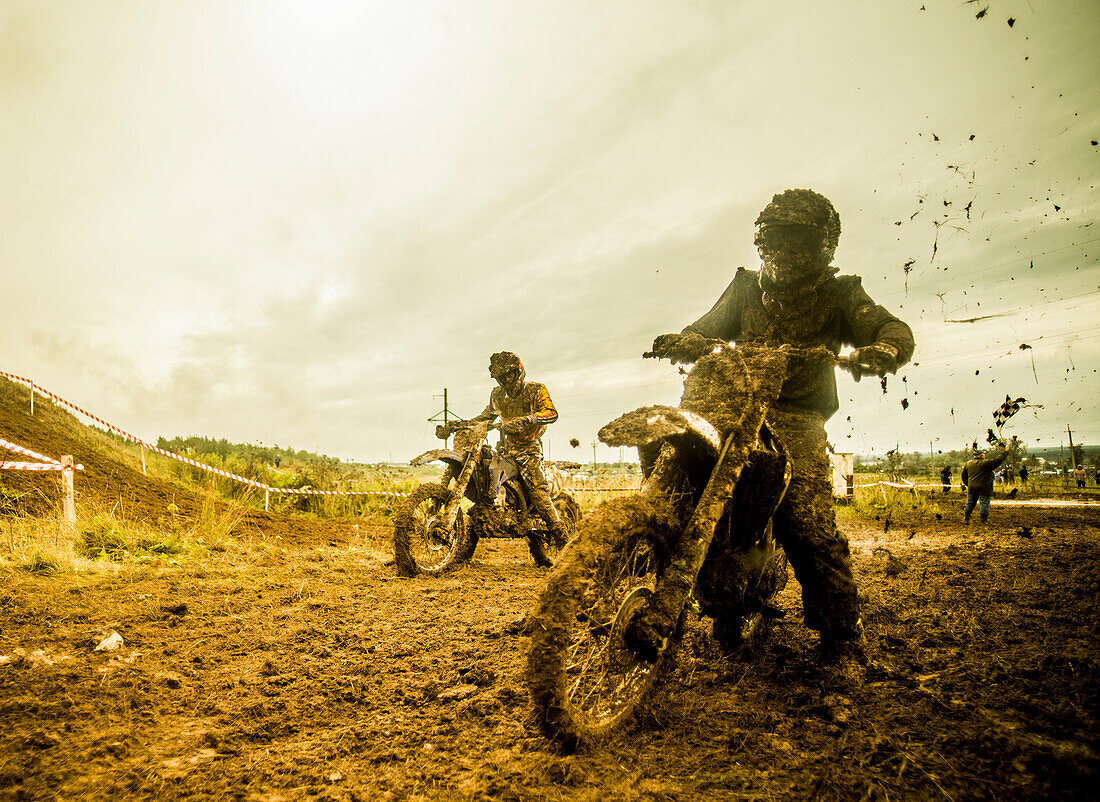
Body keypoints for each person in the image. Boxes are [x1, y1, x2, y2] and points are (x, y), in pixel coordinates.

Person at [650, 188, 915, 687]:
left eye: (799, 244)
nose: (786, 254)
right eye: (775, 242)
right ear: (761, 243)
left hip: (796, 412)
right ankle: (631, 557)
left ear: (824, 247)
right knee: (676, 464)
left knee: (805, 521)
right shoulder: (746, 287)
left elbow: (883, 323)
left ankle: (842, 636)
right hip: (731, 400)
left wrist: (887, 346)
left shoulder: (841, 293)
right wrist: (685, 337)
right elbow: (707, 326)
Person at [464, 351, 564, 543]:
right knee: (488, 476)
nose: (507, 379)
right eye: (502, 377)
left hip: (530, 451)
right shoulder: (497, 395)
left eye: (510, 374)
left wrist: (528, 419)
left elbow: (551, 413)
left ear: (518, 372)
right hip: (506, 450)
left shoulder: (536, 390)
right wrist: (459, 425)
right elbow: (486, 416)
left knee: (537, 492)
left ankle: (561, 536)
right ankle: (465, 549)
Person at [961, 444, 1008, 524]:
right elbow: (997, 460)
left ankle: (966, 518)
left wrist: (967, 484)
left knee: (970, 503)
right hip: (985, 487)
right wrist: (1005, 452)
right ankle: (983, 521)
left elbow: (963, 476)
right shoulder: (985, 463)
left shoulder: (968, 463)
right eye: (983, 454)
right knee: (984, 503)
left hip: (972, 487)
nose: (984, 455)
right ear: (981, 455)